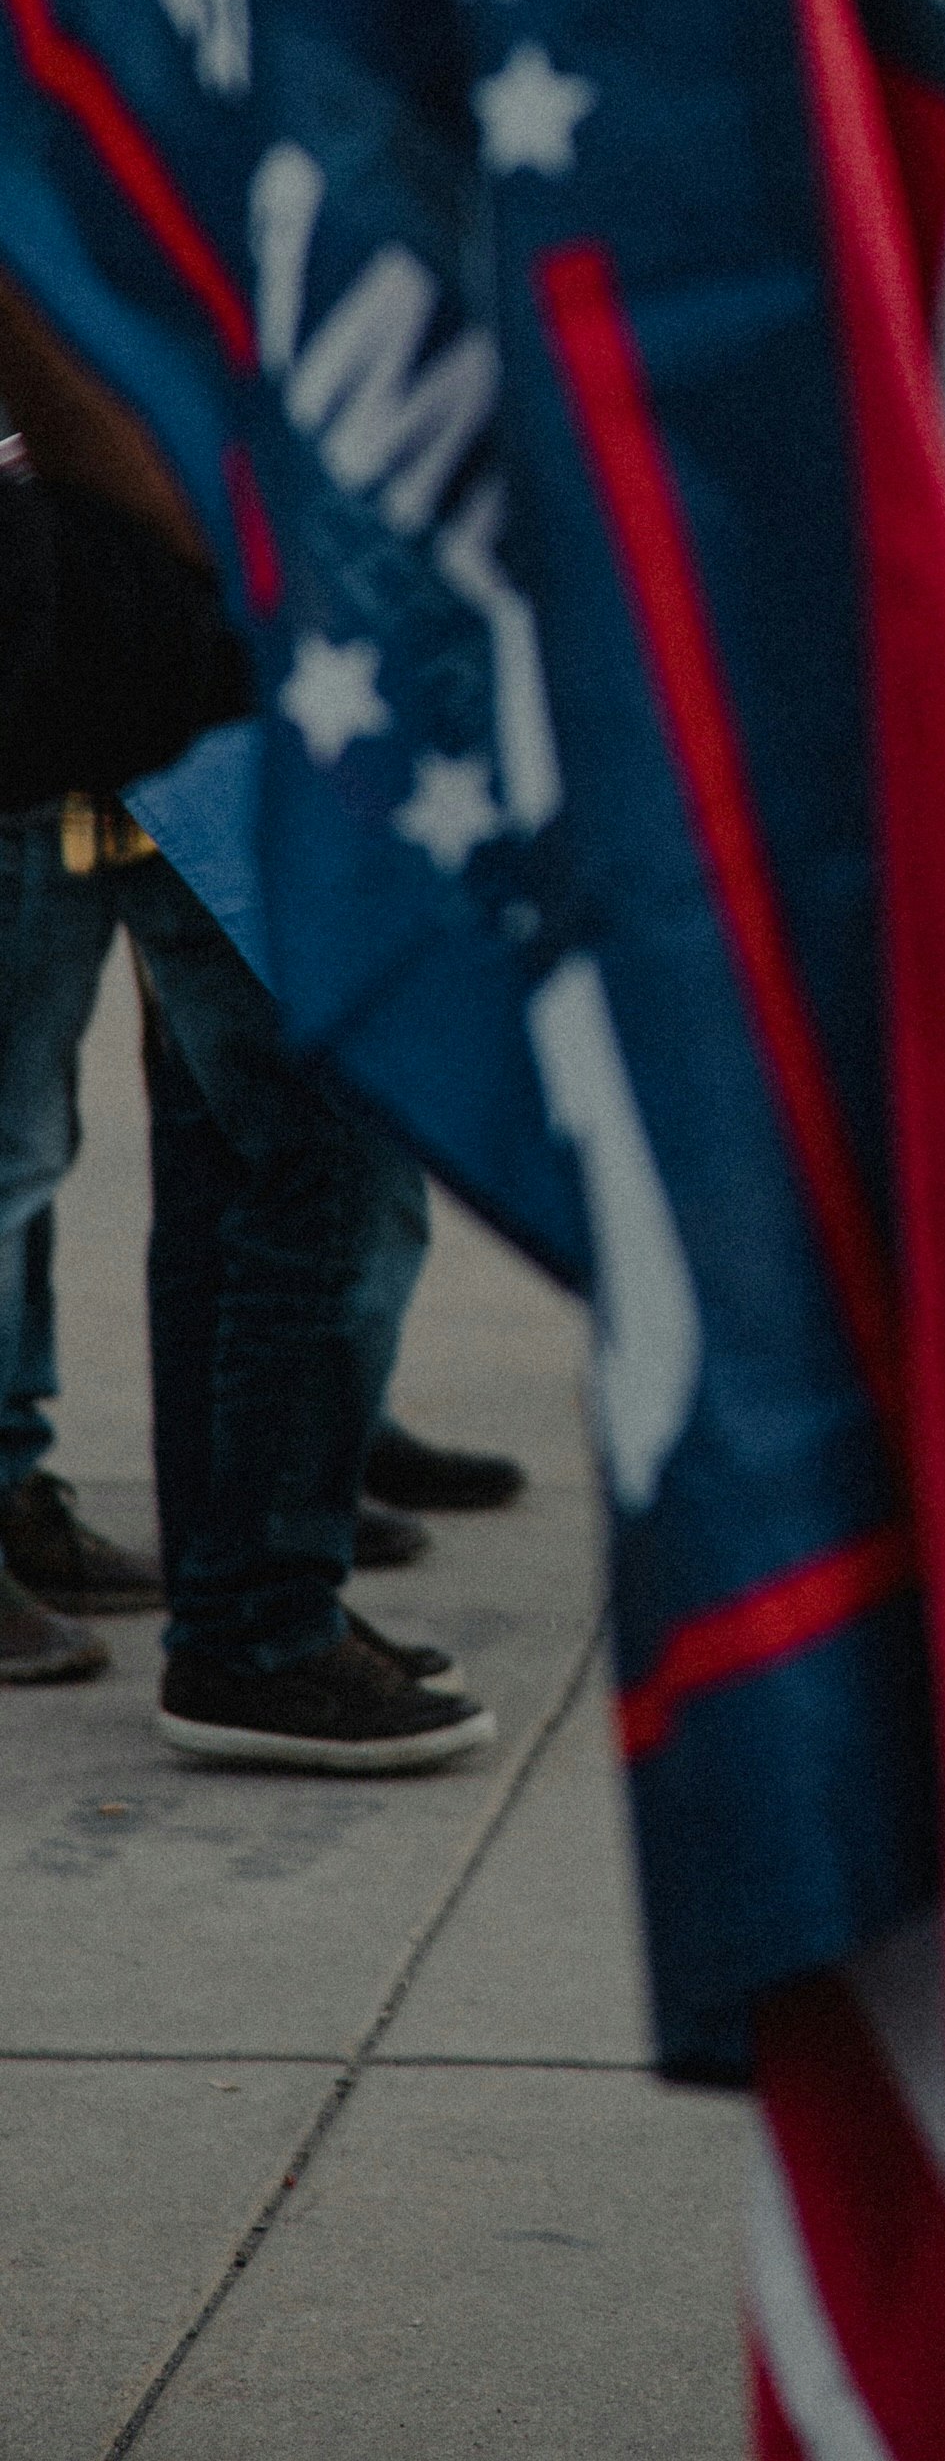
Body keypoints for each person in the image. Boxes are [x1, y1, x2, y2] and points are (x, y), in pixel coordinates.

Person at [0, 291, 492, 1763]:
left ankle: (255, 1596)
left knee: (244, 1143)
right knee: (312, 1143)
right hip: (156, 617)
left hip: (174, 623)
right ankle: (259, 1625)